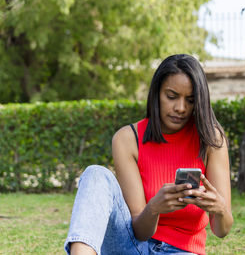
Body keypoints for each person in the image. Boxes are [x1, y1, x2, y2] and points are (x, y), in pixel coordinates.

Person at [64, 54, 233, 255]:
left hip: (181, 251)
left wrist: (220, 208)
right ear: (156, 94)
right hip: (130, 246)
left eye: (190, 100)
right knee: (95, 174)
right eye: (171, 96)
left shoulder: (211, 139)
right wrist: (154, 208)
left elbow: (222, 231)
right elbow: (139, 232)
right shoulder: (127, 139)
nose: (180, 108)